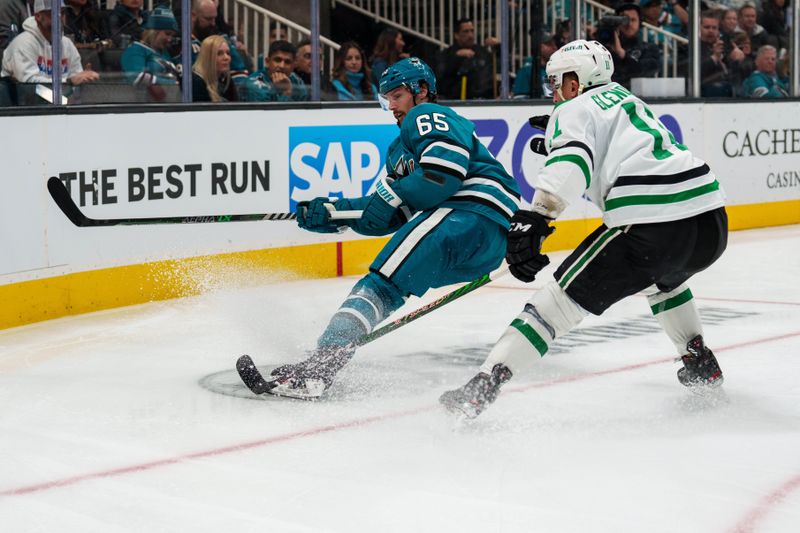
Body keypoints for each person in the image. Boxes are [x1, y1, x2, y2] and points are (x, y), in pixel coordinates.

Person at [440, 39, 728, 419]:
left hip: (650, 224)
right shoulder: (626, 99)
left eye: (557, 82)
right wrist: (557, 140)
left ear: (575, 82)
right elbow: (612, 145)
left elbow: (575, 160)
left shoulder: (572, 109)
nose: (554, 93)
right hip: (710, 220)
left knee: (555, 304)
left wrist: (538, 216)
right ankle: (699, 361)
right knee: (665, 277)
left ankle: (483, 384)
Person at [259, 57, 521, 399]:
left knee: (380, 286)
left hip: (466, 215)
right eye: (387, 99)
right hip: (484, 242)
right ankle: (324, 363)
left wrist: (390, 195)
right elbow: (390, 215)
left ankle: (320, 367)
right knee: (390, 285)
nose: (392, 106)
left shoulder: (427, 115)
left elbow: (441, 174)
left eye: (397, 95)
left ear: (421, 90)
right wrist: (334, 213)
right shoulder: (400, 149)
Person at [1, 0, 99, 86]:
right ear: (38, 16)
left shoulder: (67, 44)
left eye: (63, 13)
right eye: (53, 13)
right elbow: (29, 84)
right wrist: (69, 81)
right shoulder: (23, 44)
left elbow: (76, 80)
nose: (60, 18)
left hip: (59, 104)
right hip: (22, 104)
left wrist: (84, 79)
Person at [120, 5, 179, 98]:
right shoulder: (135, 49)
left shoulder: (164, 53)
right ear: (153, 31)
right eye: (167, 34)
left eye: (172, 35)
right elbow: (137, 77)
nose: (169, 39)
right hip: (142, 105)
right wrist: (172, 84)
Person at [603, 3, 660, 89]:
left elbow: (646, 70)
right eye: (624, 20)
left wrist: (623, 55)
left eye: (633, 20)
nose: (629, 24)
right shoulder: (605, 49)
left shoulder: (650, 48)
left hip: (637, 98)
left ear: (639, 22)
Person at [435, 17, 495, 99]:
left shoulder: (483, 52)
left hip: (482, 101)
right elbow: (441, 78)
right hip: (454, 102)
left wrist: (498, 48)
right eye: (466, 31)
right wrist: (456, 58)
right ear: (456, 35)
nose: (470, 35)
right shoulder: (447, 54)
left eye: (472, 31)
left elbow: (494, 71)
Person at [236, 39, 307, 101]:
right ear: (267, 62)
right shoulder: (254, 85)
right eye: (277, 60)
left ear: (293, 65)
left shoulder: (296, 81)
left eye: (287, 62)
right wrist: (286, 92)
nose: (282, 66)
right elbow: (270, 116)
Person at [511, 30, 558, 99]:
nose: (555, 47)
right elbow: (520, 100)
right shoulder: (527, 70)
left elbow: (550, 96)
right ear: (538, 47)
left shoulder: (554, 67)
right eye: (549, 44)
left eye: (554, 44)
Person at [192, 34, 237, 102]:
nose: (226, 58)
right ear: (208, 57)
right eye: (219, 53)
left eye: (228, 53)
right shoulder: (196, 82)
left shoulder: (226, 80)